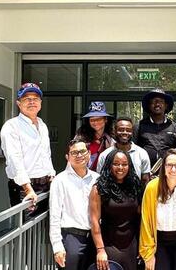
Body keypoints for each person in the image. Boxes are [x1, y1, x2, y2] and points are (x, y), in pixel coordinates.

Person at [1, 82, 55, 209]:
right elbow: (14, 159)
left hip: (46, 184)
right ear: (19, 103)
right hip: (25, 187)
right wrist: (28, 189)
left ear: (40, 103)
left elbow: (46, 154)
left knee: (43, 226)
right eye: (27, 99)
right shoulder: (12, 126)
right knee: (26, 227)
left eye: (35, 99)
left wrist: (51, 174)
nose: (32, 102)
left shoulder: (42, 125)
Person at [49, 139, 100, 270]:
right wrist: (57, 247)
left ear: (89, 154)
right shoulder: (60, 181)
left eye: (82, 151)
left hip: (94, 239)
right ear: (67, 157)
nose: (79, 155)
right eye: (74, 153)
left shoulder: (97, 179)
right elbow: (54, 215)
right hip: (71, 239)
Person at [90, 149, 144, 270]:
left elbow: (141, 219)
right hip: (109, 245)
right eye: (116, 164)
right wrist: (100, 250)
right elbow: (94, 221)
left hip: (132, 244)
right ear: (109, 165)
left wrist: (143, 245)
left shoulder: (136, 187)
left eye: (124, 164)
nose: (120, 167)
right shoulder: (98, 189)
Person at [96, 117, 151, 184]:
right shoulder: (105, 155)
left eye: (128, 130)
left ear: (132, 132)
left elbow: (145, 180)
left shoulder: (142, 154)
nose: (125, 132)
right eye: (121, 129)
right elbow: (100, 179)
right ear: (115, 131)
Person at [133, 88, 176, 166]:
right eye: (154, 101)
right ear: (149, 105)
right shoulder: (139, 126)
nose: (157, 104)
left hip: (169, 173)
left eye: (161, 102)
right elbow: (133, 151)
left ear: (166, 105)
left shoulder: (175, 127)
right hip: (145, 173)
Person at [74, 101, 115, 171]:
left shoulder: (111, 139)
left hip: (105, 178)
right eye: (92, 120)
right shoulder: (81, 138)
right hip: (85, 177)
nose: (95, 122)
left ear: (105, 120)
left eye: (99, 119)